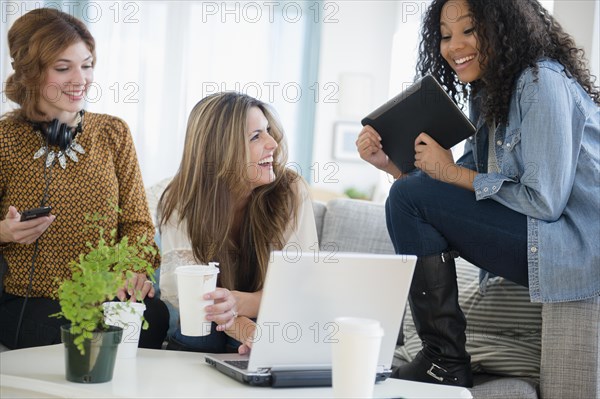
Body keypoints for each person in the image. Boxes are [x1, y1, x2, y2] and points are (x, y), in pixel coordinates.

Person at [357, 0, 599, 388]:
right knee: (409, 195)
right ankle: (443, 359)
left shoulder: (541, 82)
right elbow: (446, 190)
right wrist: (392, 166)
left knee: (412, 196)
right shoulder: (489, 94)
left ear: (504, 29)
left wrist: (448, 172)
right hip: (539, 238)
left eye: (468, 30)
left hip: (570, 246)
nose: (454, 47)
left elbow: (545, 202)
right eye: (445, 36)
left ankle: (443, 360)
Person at [0, 8, 169, 349]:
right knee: (79, 336)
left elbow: (137, 224)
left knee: (156, 317)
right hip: (31, 302)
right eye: (63, 68)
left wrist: (131, 272)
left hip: (106, 297)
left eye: (87, 64)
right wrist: (5, 232)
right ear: (32, 73)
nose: (81, 79)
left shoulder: (113, 132)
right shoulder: (4, 139)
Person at [158, 92, 318, 354]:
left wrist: (242, 305)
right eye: (256, 136)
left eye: (267, 131)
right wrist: (247, 331)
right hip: (206, 321)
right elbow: (188, 294)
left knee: (261, 330)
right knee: (203, 333)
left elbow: (298, 288)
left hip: (268, 314)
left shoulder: (291, 191)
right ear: (221, 151)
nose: (273, 144)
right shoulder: (181, 201)